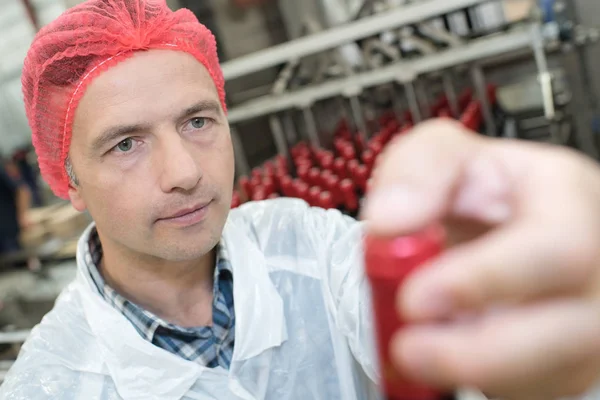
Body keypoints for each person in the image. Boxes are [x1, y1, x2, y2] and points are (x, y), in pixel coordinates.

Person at [2, 0, 600, 399]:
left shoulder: (307, 245)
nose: (184, 172)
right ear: (68, 178)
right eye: (126, 143)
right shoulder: (48, 383)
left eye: (197, 122)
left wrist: (512, 297)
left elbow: (421, 316)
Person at [0, 158, 31, 256]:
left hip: (8, 231)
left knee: (15, 261)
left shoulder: (2, 173)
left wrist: (22, 216)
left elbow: (22, 191)